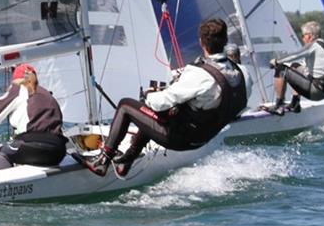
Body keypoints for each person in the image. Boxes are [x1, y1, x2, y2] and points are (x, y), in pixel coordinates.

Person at [80, 18, 250, 178]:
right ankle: (127, 161)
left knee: (126, 105)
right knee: (154, 112)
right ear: (226, 41)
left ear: (201, 42)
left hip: (182, 139)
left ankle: (102, 161)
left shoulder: (200, 74)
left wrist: (149, 96)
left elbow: (159, 103)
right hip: (205, 137)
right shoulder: (243, 73)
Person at [0, 63, 67, 170]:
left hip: (34, 149)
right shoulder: (48, 94)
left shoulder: (19, 89)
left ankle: (6, 185)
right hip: (58, 152)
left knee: (4, 151)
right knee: (22, 147)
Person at [261, 21, 324, 116]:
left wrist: (276, 61)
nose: (302, 38)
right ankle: (295, 103)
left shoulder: (313, 45)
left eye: (303, 35)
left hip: (315, 91)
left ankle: (279, 105)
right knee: (295, 66)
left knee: (281, 69)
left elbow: (295, 55)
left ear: (310, 36)